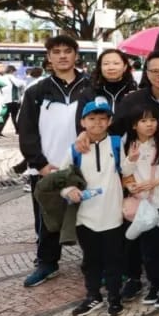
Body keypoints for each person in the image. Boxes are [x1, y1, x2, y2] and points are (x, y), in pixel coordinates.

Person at [19, 36, 94, 287]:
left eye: (67, 51)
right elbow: (26, 130)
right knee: (47, 219)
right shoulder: (36, 91)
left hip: (85, 165)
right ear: (49, 57)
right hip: (48, 166)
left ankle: (94, 262)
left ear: (76, 55)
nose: (62, 56)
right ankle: (47, 263)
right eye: (56, 51)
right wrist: (39, 164)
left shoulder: (91, 87)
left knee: (91, 216)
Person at [63, 98, 126, 316]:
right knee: (90, 260)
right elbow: (62, 178)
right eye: (91, 119)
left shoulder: (117, 143)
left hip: (112, 214)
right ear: (82, 122)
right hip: (85, 216)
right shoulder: (75, 149)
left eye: (102, 118)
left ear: (110, 121)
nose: (97, 123)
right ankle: (93, 295)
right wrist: (69, 190)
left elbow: (127, 170)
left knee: (114, 259)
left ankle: (115, 297)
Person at [121, 104, 159, 308]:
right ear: (134, 125)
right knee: (147, 247)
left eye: (153, 120)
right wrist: (131, 171)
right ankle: (154, 284)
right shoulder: (128, 143)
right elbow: (124, 172)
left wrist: (156, 182)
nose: (149, 125)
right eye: (143, 121)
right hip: (143, 205)